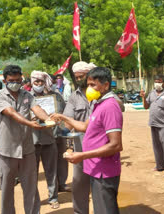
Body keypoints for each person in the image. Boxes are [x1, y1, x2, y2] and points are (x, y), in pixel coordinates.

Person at [51, 67, 123, 214]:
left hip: (104, 170)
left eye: (93, 85)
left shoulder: (110, 106)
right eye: (88, 84)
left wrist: (82, 155)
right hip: (96, 168)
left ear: (106, 85)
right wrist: (63, 117)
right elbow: (84, 126)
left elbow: (115, 145)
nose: (88, 88)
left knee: (105, 210)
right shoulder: (98, 104)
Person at [0, 65, 50, 214]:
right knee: (7, 189)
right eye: (12, 80)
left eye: (19, 80)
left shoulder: (27, 95)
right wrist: (30, 123)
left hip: (27, 149)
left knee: (31, 187)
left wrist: (49, 120)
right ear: (5, 81)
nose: (16, 83)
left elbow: (37, 109)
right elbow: (10, 113)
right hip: (7, 150)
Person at [63, 61, 97, 214]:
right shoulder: (73, 97)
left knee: (99, 185)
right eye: (76, 77)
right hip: (80, 148)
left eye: (81, 76)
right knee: (79, 184)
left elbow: (118, 105)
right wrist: (57, 129)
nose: (79, 80)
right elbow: (67, 121)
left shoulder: (102, 92)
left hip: (101, 147)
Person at [30, 70, 65, 209]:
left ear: (45, 83)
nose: (39, 84)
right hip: (31, 141)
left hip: (50, 139)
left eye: (41, 82)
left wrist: (56, 117)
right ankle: (34, 199)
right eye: (36, 82)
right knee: (32, 173)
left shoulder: (54, 97)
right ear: (32, 82)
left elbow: (62, 113)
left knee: (51, 171)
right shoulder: (25, 97)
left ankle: (53, 198)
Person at [140, 74, 164, 177]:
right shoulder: (151, 93)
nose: (157, 83)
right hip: (153, 123)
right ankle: (160, 165)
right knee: (157, 146)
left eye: (159, 81)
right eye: (156, 81)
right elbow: (146, 106)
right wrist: (143, 97)